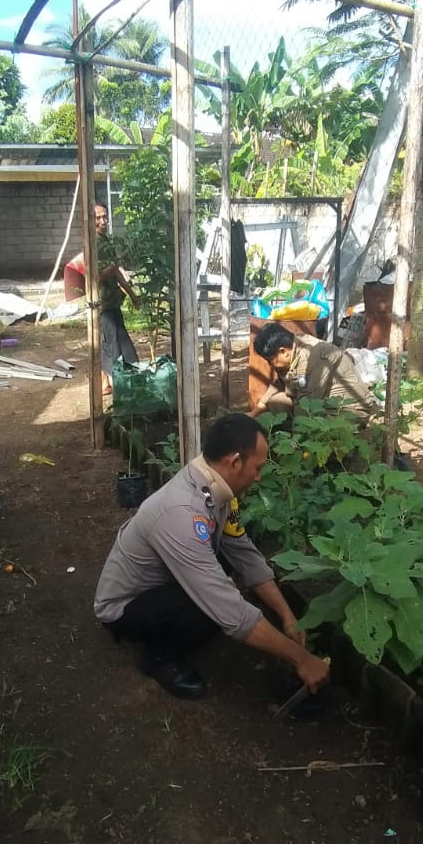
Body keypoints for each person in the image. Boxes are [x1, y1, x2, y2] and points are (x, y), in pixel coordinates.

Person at [94, 413, 330, 701]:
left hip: (163, 582)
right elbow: (227, 607)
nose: (258, 477)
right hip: (125, 607)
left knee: (224, 571)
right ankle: (158, 657)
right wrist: (301, 659)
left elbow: (244, 553)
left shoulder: (215, 488)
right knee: (209, 610)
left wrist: (287, 615)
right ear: (235, 462)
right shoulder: (182, 513)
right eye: (257, 468)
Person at [63, 202, 139, 394]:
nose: (103, 221)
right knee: (112, 346)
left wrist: (132, 294)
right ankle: (115, 385)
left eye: (105, 217)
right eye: (98, 218)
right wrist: (115, 265)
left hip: (112, 302)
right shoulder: (93, 245)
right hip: (102, 304)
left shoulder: (106, 241)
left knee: (114, 343)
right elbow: (95, 277)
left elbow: (117, 273)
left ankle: (106, 383)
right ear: (90, 221)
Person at [251, 321, 379, 420]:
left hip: (348, 409)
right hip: (322, 401)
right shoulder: (293, 347)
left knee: (315, 428)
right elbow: (279, 383)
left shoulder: (311, 358)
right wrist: (254, 413)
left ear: (283, 351)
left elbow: (306, 406)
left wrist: (296, 442)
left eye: (270, 360)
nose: (270, 365)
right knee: (276, 402)